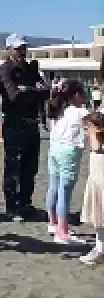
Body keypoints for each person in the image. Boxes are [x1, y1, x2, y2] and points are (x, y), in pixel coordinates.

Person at [0, 34, 49, 221]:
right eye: (18, 48)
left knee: (30, 167)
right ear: (9, 49)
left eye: (24, 48)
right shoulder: (5, 69)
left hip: (32, 122)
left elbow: (46, 91)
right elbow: (13, 95)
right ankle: (12, 207)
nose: (22, 52)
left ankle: (25, 204)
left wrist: (28, 90)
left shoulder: (31, 68)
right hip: (13, 123)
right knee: (13, 167)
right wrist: (33, 91)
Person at [45, 80, 89, 244]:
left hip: (54, 149)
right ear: (76, 95)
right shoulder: (80, 112)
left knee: (54, 187)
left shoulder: (57, 109)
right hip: (69, 151)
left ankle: (53, 223)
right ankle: (62, 232)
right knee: (65, 192)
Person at [79, 111, 104, 265]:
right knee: (98, 220)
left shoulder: (99, 145)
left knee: (100, 219)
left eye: (87, 129)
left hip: (101, 186)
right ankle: (99, 248)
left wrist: (96, 131)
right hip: (96, 184)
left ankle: (100, 250)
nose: (85, 132)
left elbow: (97, 147)